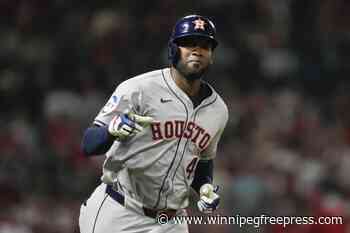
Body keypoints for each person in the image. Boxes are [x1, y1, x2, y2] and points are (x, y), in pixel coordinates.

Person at [79, 14, 229, 233]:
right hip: (120, 211)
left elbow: (202, 162)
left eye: (205, 45)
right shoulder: (139, 89)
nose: (197, 50)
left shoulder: (218, 110)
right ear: (173, 49)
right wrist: (111, 131)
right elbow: (88, 145)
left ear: (212, 56)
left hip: (170, 221)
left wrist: (205, 186)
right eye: (188, 43)